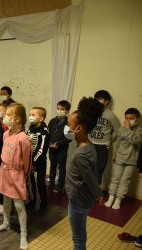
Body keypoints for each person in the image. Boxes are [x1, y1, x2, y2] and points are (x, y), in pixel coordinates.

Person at [64, 97, 104, 250]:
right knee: (79, 234)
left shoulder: (81, 153)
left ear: (79, 128)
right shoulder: (88, 145)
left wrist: (98, 194)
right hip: (82, 198)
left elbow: (89, 177)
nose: (67, 127)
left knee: (78, 238)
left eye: (69, 124)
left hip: (78, 200)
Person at [0, 103, 32, 250]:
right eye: (6, 114)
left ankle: (23, 234)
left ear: (18, 120)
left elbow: (27, 160)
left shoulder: (23, 138)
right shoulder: (5, 134)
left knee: (19, 204)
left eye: (9, 115)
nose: (5, 117)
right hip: (5, 171)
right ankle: (6, 223)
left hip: (17, 173)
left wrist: (25, 175)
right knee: (6, 199)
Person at [104, 108, 141, 209]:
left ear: (137, 120)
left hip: (132, 161)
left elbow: (135, 141)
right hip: (120, 158)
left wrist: (128, 129)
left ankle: (118, 200)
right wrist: (115, 156)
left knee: (125, 181)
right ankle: (111, 197)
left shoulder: (140, 131)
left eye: (131, 118)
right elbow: (117, 143)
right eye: (126, 118)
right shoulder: (121, 129)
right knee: (115, 178)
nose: (128, 121)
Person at [89, 90, 120, 184]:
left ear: (106, 102)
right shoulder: (91, 112)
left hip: (103, 146)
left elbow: (117, 130)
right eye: (95, 99)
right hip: (90, 143)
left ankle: (96, 192)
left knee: (98, 170)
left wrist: (109, 139)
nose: (96, 101)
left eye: (99, 99)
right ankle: (86, 189)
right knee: (87, 167)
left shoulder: (110, 115)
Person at [26, 107, 50, 215]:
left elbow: (41, 150)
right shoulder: (30, 128)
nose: (30, 117)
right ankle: (32, 200)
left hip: (39, 163)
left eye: (33, 115)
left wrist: (33, 164)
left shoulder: (44, 132)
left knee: (40, 183)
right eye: (30, 114)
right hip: (29, 162)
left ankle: (44, 205)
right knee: (30, 183)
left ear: (41, 118)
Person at [48, 100, 72, 193]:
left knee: (61, 168)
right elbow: (48, 133)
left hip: (62, 149)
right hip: (51, 148)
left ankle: (60, 186)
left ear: (67, 111)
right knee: (52, 166)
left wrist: (58, 144)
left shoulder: (69, 123)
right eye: (58, 108)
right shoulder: (52, 121)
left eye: (62, 109)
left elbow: (69, 138)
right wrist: (50, 143)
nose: (59, 110)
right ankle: (51, 183)